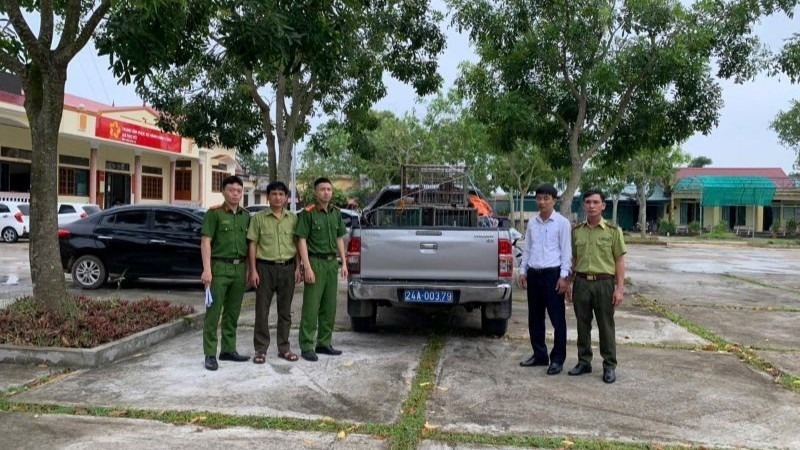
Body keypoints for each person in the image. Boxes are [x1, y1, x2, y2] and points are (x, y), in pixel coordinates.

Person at [566, 189, 627, 384]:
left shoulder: (612, 231)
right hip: (582, 283)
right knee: (582, 325)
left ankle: (609, 365)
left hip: (604, 284)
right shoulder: (576, 231)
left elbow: (619, 260)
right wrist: (569, 282)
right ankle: (584, 362)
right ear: (583, 205)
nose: (591, 206)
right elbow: (574, 259)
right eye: (588, 202)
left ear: (603, 206)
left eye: (595, 202)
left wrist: (619, 288)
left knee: (606, 326)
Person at [517, 183, 572, 375]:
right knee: (535, 318)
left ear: (554, 200)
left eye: (546, 198)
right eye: (539, 198)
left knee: (558, 320)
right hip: (534, 275)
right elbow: (528, 249)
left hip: (553, 275)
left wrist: (564, 277)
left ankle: (557, 359)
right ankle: (540, 355)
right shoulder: (532, 223)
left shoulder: (562, 223)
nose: (542, 202)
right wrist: (522, 271)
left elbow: (566, 252)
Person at [247, 181, 302, 364]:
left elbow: (297, 244)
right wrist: (253, 270)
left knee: (285, 312)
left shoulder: (293, 219)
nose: (278, 197)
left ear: (286, 197)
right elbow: (252, 244)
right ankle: (260, 349)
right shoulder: (258, 218)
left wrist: (298, 267)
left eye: (281, 194)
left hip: (287, 268)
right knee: (261, 311)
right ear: (268, 196)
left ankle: (284, 348)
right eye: (274, 194)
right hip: (265, 268)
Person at [200, 175, 251, 371]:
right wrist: (207, 270)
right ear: (223, 192)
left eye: (239, 191)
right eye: (231, 190)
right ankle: (210, 353)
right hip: (219, 268)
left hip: (240, 268)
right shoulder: (214, 214)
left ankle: (228, 349)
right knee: (214, 312)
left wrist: (249, 270)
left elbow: (249, 244)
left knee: (233, 311)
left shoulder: (246, 215)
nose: (236, 194)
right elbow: (206, 242)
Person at [295, 177, 348, 362]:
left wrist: (344, 263)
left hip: (332, 263)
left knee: (329, 306)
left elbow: (340, 238)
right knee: (311, 306)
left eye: (329, 189)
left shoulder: (336, 213)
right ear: (316, 192)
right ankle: (307, 345)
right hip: (315, 262)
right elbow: (301, 240)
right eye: (323, 189)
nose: (326, 192)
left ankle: (324, 343)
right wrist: (306, 266)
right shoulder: (308, 213)